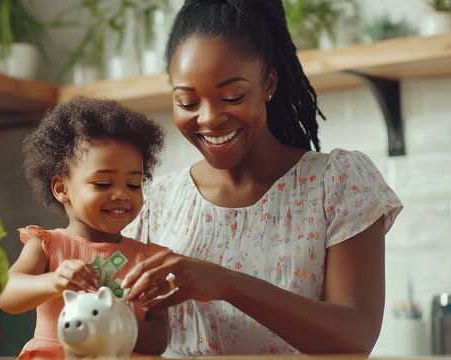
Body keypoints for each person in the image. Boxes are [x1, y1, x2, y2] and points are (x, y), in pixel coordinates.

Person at [120, 0, 403, 356]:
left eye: (233, 96)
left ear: (268, 84)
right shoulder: (152, 204)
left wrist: (228, 283)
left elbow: (356, 337)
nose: (209, 118)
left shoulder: (337, 184)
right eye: (187, 102)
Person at [0, 96, 169, 359]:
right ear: (61, 189)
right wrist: (54, 281)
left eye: (133, 185)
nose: (122, 194)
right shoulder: (47, 245)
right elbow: (6, 294)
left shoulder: (148, 261)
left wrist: (113, 328)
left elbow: (159, 340)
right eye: (103, 184)